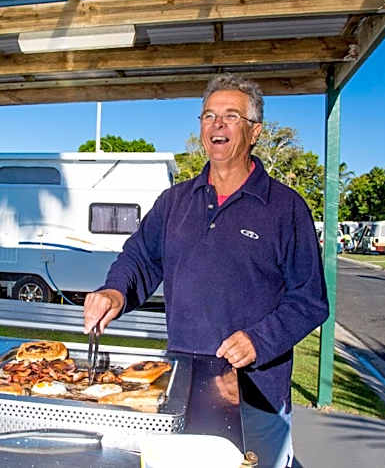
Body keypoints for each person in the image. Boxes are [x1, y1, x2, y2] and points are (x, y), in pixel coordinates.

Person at [82, 74, 329, 468]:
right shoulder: (174, 202)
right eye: (209, 115)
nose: (217, 124)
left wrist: (258, 341)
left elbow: (309, 300)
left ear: (255, 132)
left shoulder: (286, 208)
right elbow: (141, 259)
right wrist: (115, 291)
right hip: (181, 384)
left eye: (231, 116)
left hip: (257, 394)